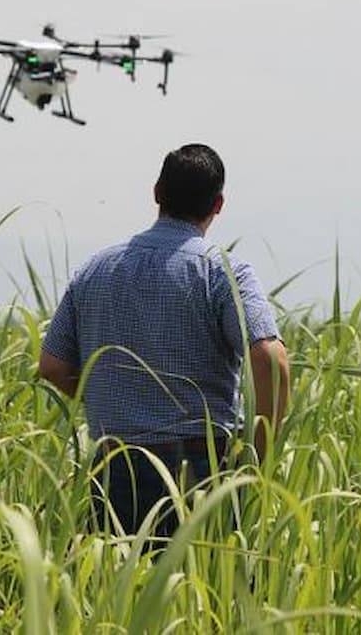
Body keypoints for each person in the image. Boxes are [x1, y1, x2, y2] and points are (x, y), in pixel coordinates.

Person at [38, 143, 290, 540]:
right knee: (200, 592)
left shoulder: (93, 270)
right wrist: (257, 458)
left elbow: (52, 367)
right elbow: (271, 360)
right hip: (200, 468)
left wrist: (110, 397)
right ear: (218, 205)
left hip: (115, 461)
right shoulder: (223, 271)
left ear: (157, 192)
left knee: (114, 592)